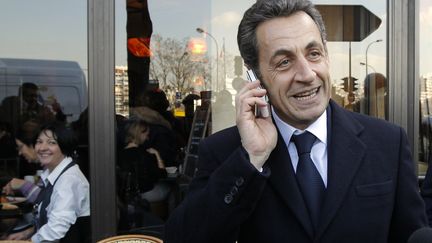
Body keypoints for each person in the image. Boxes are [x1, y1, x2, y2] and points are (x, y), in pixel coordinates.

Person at [164, 0, 427, 242]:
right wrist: (252, 158)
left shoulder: (388, 143)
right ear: (255, 74)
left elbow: (411, 236)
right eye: (284, 62)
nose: (306, 74)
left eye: (313, 54)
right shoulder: (227, 152)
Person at [6, 122, 90, 242]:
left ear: (64, 145)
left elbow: (56, 229)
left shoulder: (69, 180)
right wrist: (26, 233)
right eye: (39, 142)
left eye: (51, 143)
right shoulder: (53, 175)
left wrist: (29, 241)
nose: (42, 148)